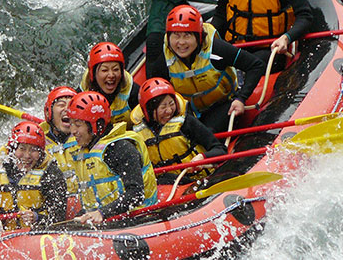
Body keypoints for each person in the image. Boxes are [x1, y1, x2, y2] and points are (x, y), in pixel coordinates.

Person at [150, 5, 265, 133]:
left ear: (198, 36)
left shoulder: (217, 49)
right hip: (190, 111)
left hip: (223, 103)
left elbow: (255, 65)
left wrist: (241, 98)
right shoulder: (164, 60)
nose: (181, 43)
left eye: (187, 35)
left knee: (207, 132)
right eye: (176, 36)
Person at [67, 91, 158, 224]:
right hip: (109, 218)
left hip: (139, 219)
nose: (73, 131)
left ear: (96, 125)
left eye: (78, 125)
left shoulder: (122, 148)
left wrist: (102, 213)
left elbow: (136, 195)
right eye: (71, 124)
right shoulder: (88, 150)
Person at [131, 77, 227, 183]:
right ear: (148, 110)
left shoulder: (186, 122)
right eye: (163, 107)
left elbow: (220, 150)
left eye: (171, 104)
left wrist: (202, 157)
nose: (169, 111)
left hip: (198, 180)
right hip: (166, 184)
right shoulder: (137, 134)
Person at [0, 121, 67, 231]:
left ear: (41, 153)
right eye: (22, 149)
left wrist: (37, 217)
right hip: (2, 236)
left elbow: (59, 217)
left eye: (33, 150)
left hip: (35, 236)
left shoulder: (51, 174)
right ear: (12, 150)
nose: (27, 156)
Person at [39, 86, 81, 217]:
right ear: (49, 113)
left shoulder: (88, 137)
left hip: (86, 207)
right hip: (55, 210)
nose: (67, 109)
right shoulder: (37, 145)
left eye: (71, 105)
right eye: (61, 105)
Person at [78, 42, 139, 128]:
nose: (111, 75)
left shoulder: (132, 92)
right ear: (93, 74)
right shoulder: (81, 96)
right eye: (104, 70)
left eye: (115, 69)